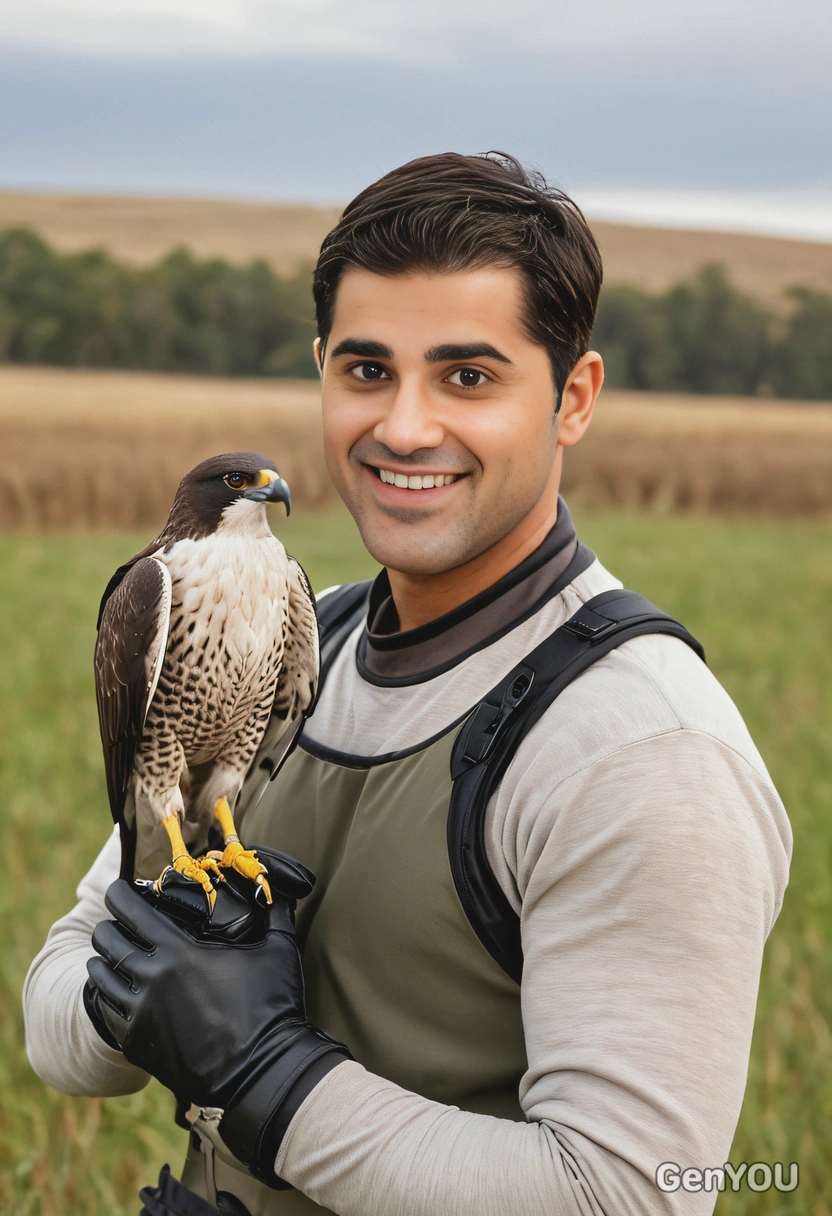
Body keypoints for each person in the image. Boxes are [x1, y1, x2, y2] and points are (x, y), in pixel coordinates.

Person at [24, 152, 792, 1216]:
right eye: (367, 369)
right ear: (321, 372)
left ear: (573, 397)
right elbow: (59, 1021)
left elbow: (634, 1196)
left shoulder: (639, 746)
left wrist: (266, 1073)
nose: (404, 426)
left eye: (467, 376)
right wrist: (151, 989)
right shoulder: (298, 631)